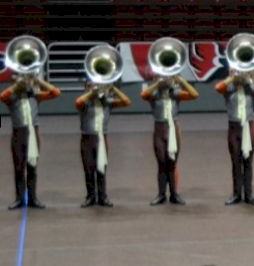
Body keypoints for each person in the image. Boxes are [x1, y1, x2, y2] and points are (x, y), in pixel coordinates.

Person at [1, 72, 60, 210]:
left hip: (33, 133)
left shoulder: (36, 96)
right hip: (18, 133)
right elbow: (2, 96)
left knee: (32, 167)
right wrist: (17, 85)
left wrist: (37, 81)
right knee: (19, 167)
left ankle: (33, 198)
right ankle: (19, 199)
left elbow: (56, 92)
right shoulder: (13, 97)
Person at [216, 70, 254, 206]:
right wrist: (232, 78)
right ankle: (236, 194)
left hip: (249, 127)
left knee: (248, 162)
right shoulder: (229, 88)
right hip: (234, 128)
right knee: (236, 162)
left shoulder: (251, 87)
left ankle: (248, 194)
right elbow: (217, 87)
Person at [142, 71, 198, 206]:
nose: (164, 79)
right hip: (159, 128)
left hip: (173, 128)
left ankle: (174, 194)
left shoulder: (175, 92)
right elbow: (143, 95)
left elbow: (194, 94)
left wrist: (180, 80)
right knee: (161, 162)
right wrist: (157, 84)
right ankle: (161, 194)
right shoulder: (154, 94)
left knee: (172, 162)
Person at [75, 81, 131, 208]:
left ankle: (102, 196)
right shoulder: (85, 103)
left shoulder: (107, 102)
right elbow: (77, 102)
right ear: (86, 88)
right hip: (87, 139)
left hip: (102, 138)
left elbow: (126, 101)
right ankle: (90, 196)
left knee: (102, 168)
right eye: (90, 86)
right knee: (89, 169)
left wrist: (112, 88)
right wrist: (91, 93)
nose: (95, 88)